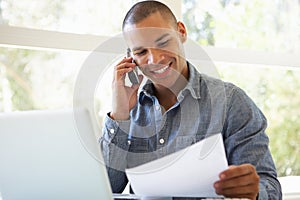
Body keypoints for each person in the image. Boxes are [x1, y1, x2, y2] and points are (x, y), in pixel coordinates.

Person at [100, 1, 282, 199]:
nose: (155, 59)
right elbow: (105, 189)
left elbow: (270, 188)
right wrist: (119, 116)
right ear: (130, 58)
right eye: (141, 52)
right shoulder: (128, 112)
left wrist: (254, 193)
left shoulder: (231, 102)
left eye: (162, 42)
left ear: (181, 31)